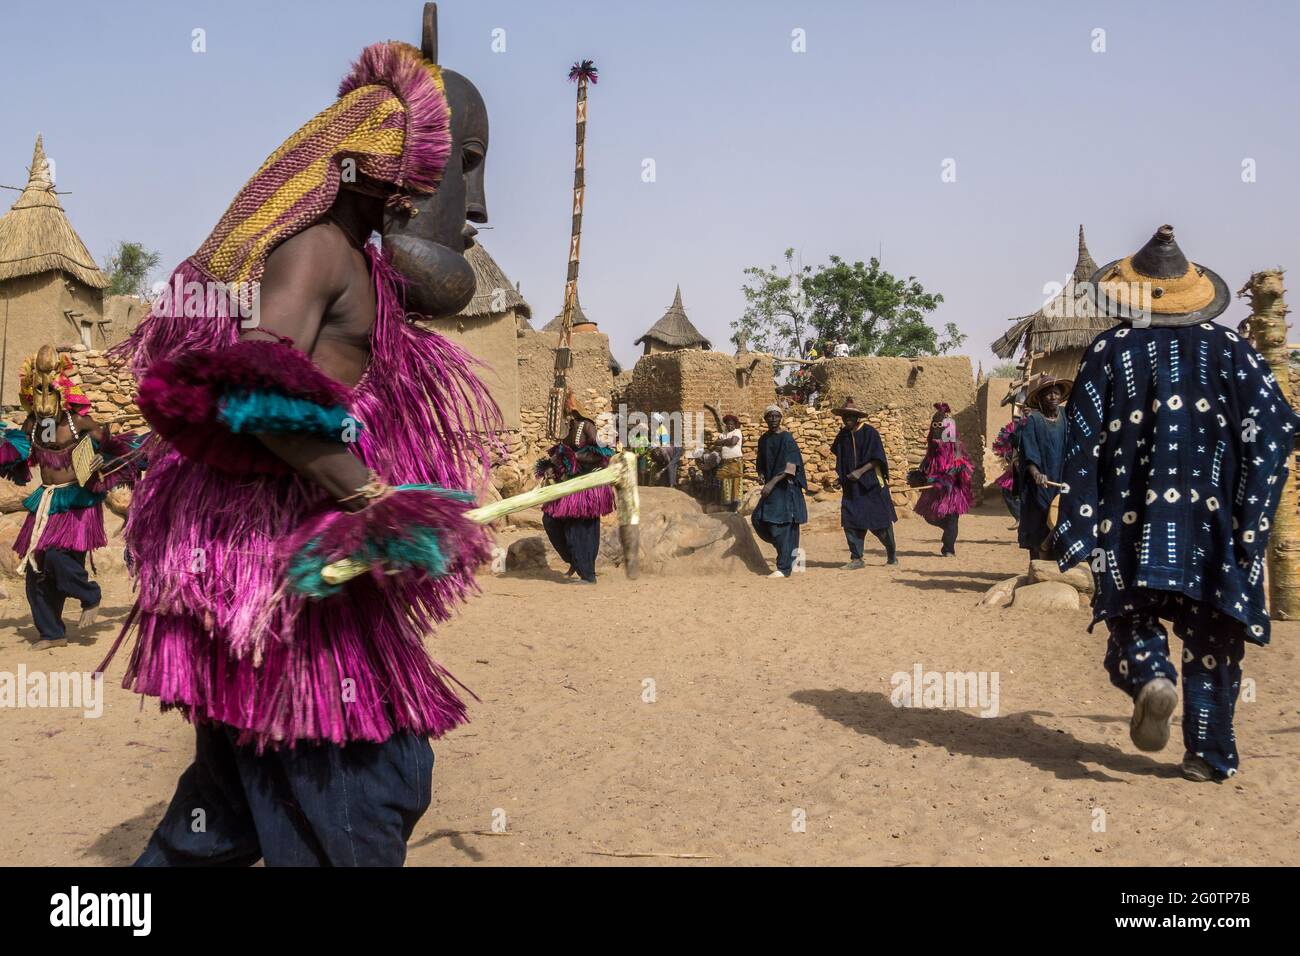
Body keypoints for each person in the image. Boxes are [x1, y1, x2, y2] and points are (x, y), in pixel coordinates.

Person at [101, 38, 502, 865]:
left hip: (283, 560)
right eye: (457, 167)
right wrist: (370, 499)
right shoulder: (317, 247)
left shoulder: (352, 258)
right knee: (363, 779)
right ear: (391, 161)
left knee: (232, 806)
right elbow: (253, 385)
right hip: (288, 571)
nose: (469, 200)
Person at [1055, 224, 1299, 782]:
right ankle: (1209, 755)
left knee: (1131, 614)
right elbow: (1278, 427)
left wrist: (1080, 524)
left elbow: (1083, 442)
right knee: (1213, 634)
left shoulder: (1110, 350)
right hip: (1211, 522)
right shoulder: (1233, 349)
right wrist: (1249, 517)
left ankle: (1150, 675)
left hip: (1130, 522)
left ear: (1125, 295)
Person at [0, 347, 137, 649]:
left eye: (51, 390)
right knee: (37, 566)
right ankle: (51, 633)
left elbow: (114, 449)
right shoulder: (32, 425)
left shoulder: (79, 423)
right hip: (46, 501)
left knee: (57, 556)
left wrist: (102, 460)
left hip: (77, 502)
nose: (45, 399)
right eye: (39, 391)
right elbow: (15, 456)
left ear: (62, 392)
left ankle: (90, 594)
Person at [536, 391, 614, 583]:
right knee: (550, 521)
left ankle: (588, 574)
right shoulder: (566, 430)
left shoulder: (586, 426)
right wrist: (551, 467)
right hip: (568, 486)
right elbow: (560, 456)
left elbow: (603, 452)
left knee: (580, 529)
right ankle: (574, 561)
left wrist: (576, 457)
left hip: (586, 488)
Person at [830, 397, 897, 567]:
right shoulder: (843, 435)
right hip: (851, 487)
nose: (847, 420)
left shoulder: (870, 433)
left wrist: (860, 472)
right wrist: (841, 478)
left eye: (850, 417)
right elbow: (842, 460)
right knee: (850, 522)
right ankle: (856, 558)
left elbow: (877, 459)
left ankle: (891, 555)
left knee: (880, 524)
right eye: (845, 417)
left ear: (857, 417)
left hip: (871, 485)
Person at [1016, 375, 1071, 558]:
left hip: (1063, 480)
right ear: (1040, 398)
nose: (1053, 397)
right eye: (1048, 394)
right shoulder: (1034, 420)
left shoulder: (1066, 416)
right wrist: (1036, 473)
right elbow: (1029, 451)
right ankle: (1038, 567)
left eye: (1056, 393)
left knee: (1061, 520)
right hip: (1040, 484)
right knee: (1040, 522)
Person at [752, 404, 807, 578]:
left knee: (781, 525)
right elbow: (760, 463)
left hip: (785, 487)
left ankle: (783, 568)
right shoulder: (764, 440)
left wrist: (772, 483)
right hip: (772, 487)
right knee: (758, 519)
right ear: (765, 419)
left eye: (776, 416)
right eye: (770, 416)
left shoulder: (787, 438)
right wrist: (762, 476)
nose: (773, 419)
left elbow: (791, 466)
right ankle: (788, 555)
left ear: (780, 418)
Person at [912, 403, 973, 556]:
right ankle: (948, 529)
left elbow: (961, 465)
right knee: (929, 516)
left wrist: (948, 477)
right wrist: (921, 476)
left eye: (942, 426)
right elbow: (928, 464)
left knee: (952, 518)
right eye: (936, 426)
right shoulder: (932, 446)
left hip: (952, 490)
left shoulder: (956, 445)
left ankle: (948, 548)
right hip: (934, 490)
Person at [991, 412, 1024, 526]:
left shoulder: (1034, 427)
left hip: (1028, 470)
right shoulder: (1013, 430)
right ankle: (1020, 517)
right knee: (1008, 491)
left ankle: (1021, 517)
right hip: (1016, 470)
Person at [714, 413, 744, 511]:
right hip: (725, 462)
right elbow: (716, 443)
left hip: (735, 461)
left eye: (731, 424)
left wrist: (722, 442)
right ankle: (728, 506)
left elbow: (733, 442)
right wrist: (726, 441)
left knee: (736, 483)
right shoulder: (723, 434)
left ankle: (735, 507)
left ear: (735, 425)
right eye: (728, 424)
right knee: (726, 483)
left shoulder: (737, 432)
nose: (729, 426)